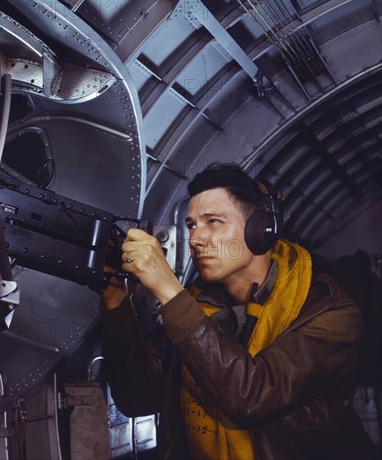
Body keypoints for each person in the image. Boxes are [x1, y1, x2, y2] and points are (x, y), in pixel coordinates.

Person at [100, 162, 375, 459]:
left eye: (214, 222)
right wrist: (116, 301)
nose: (195, 238)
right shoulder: (195, 310)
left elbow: (252, 395)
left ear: (262, 230)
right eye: (191, 225)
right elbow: (139, 397)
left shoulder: (330, 314)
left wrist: (169, 291)